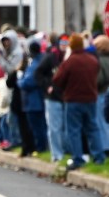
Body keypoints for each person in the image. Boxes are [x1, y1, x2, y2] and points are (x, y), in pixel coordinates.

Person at [52, 33, 105, 169]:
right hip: (91, 98)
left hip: (73, 99)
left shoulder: (69, 62)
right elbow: (97, 75)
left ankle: (78, 158)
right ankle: (99, 157)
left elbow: (57, 80)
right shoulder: (92, 60)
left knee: (74, 130)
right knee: (93, 128)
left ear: (71, 46)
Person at [34, 34, 67, 162]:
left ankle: (65, 152)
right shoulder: (51, 57)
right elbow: (38, 73)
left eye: (67, 43)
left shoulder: (69, 57)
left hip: (67, 97)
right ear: (58, 43)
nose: (64, 45)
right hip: (53, 97)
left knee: (65, 127)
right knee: (54, 127)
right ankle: (57, 155)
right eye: (62, 43)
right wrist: (47, 86)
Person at [18, 41, 48, 153]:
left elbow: (27, 83)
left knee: (36, 127)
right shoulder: (43, 60)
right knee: (42, 125)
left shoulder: (34, 65)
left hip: (32, 101)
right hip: (41, 99)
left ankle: (40, 148)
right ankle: (44, 146)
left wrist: (19, 80)